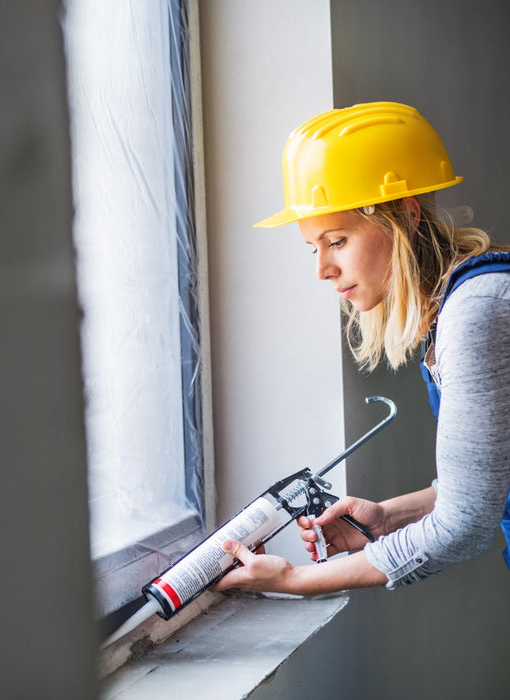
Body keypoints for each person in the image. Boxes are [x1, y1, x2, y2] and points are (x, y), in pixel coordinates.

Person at [212, 101, 510, 596]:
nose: (322, 269)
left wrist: (297, 579)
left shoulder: (475, 313)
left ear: (406, 216)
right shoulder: (465, 302)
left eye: (337, 241)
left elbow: (467, 522)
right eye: (314, 247)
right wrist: (387, 516)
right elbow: (486, 482)